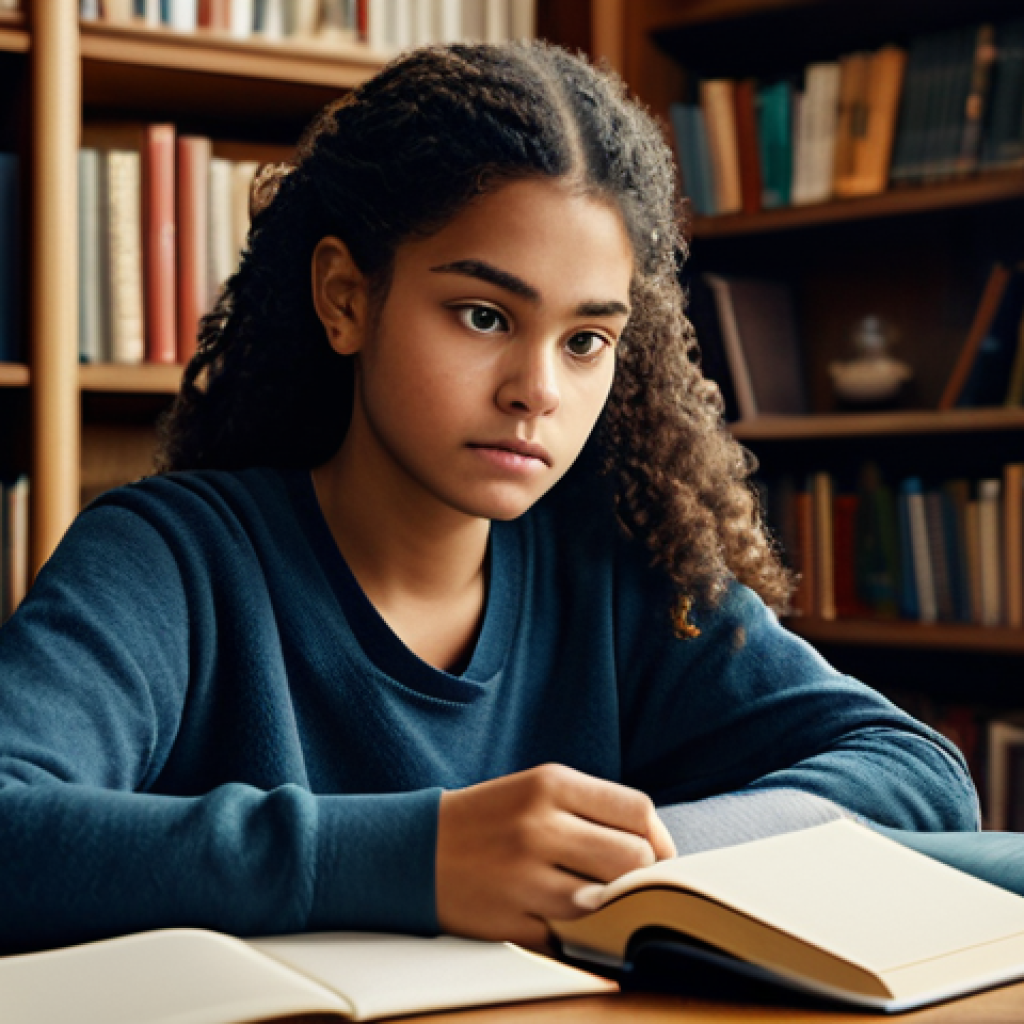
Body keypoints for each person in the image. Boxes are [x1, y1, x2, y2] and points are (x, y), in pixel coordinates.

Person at [0, 41, 978, 958]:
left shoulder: (621, 571)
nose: (537, 389)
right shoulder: (172, 561)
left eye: (585, 340)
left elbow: (914, 774)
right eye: (483, 315)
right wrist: (414, 858)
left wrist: (621, 865)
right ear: (345, 297)